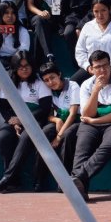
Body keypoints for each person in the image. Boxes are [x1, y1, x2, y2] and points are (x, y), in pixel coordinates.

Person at [70, 49, 111, 201]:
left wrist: (95, 121)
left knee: (108, 144)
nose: (102, 70)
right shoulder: (87, 84)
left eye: (105, 65)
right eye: (98, 67)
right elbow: (87, 114)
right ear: (91, 69)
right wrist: (95, 91)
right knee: (82, 146)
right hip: (93, 121)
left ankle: (77, 177)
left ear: (110, 65)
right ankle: (80, 190)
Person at [0, 51, 52, 192]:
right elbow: (4, 108)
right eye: (20, 67)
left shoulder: (40, 82)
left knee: (27, 137)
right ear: (14, 68)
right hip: (14, 120)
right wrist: (14, 122)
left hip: (34, 119)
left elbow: (44, 108)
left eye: (27, 66)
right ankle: (14, 181)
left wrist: (23, 120)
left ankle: (7, 176)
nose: (24, 69)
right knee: (3, 137)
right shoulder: (8, 83)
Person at [32, 61, 80, 191]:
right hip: (58, 121)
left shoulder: (73, 86)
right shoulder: (47, 90)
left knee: (67, 137)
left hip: (75, 121)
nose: (50, 82)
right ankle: (39, 180)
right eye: (46, 80)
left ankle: (64, 183)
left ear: (59, 74)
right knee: (43, 135)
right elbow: (46, 114)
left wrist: (58, 137)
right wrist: (57, 120)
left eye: (52, 77)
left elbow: (73, 113)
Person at [73, 0, 111, 83]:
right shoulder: (87, 27)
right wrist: (89, 67)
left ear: (110, 9)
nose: (100, 15)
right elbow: (80, 51)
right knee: (73, 83)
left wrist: (110, 67)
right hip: (92, 69)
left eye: (103, 10)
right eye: (96, 11)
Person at [0, 0, 30, 68]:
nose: (10, 16)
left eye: (13, 13)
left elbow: (23, 52)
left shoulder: (22, 30)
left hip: (15, 62)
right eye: (6, 13)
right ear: (0, 14)